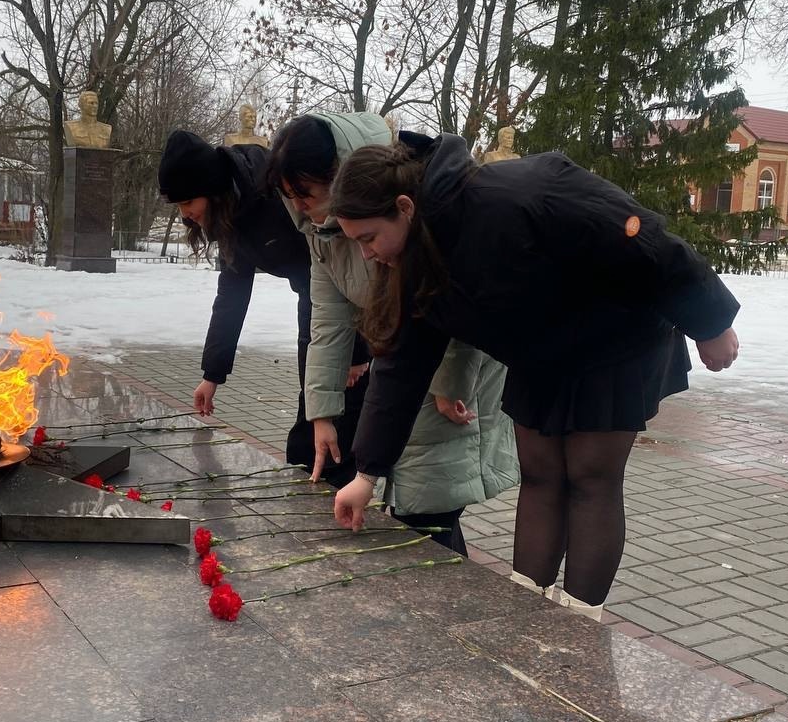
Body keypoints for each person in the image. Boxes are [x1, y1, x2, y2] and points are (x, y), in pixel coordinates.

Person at [329, 135, 741, 619]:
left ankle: (579, 623)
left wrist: (710, 321)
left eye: (368, 238)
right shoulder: (412, 259)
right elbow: (401, 365)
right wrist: (367, 472)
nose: (367, 256)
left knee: (590, 478)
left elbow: (639, 235)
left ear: (404, 207)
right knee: (541, 475)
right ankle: (525, 615)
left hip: (614, 336)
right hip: (538, 351)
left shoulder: (517, 194)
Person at [268, 113, 520, 554]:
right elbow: (327, 318)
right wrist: (322, 410)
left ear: (339, 175)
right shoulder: (321, 231)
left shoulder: (416, 206)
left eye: (305, 193)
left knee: (427, 507)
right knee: (405, 501)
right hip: (403, 359)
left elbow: (455, 308)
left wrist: (449, 384)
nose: (299, 207)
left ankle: (457, 612)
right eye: (289, 196)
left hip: (450, 361)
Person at [158, 129, 368, 486]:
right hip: (315, 300)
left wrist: (355, 351)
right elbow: (232, 295)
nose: (185, 215)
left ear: (210, 188)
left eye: (187, 202)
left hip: (346, 305)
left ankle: (337, 495)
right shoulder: (232, 217)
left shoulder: (274, 196)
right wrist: (213, 373)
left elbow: (344, 261)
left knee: (334, 411)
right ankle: (315, 488)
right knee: (314, 407)